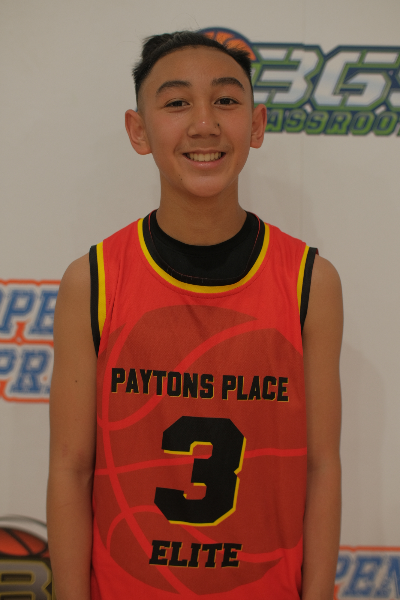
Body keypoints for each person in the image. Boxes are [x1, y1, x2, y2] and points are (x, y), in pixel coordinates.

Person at [47, 30, 342, 600]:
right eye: (177, 102)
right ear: (139, 131)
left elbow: (321, 466)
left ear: (256, 125)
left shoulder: (309, 282)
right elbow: (71, 469)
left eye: (226, 100)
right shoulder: (94, 280)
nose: (204, 124)